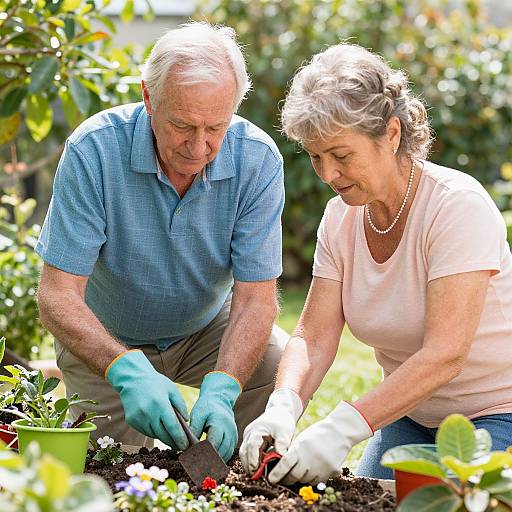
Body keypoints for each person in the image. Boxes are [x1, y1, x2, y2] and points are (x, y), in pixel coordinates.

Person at [240, 43, 512, 484]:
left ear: (390, 134)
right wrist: (283, 405)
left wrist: (344, 427)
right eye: (315, 157)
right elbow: (314, 335)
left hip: (499, 416)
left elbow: (446, 354)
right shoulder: (341, 217)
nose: (327, 174)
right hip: (410, 418)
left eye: (341, 155)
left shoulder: (456, 207)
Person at [36, 21, 288, 462]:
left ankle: (242, 471)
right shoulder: (94, 150)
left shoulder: (257, 159)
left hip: (205, 328)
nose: (199, 146)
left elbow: (255, 300)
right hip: (107, 335)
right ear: (149, 98)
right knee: (107, 473)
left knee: (276, 364)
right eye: (182, 125)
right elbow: (57, 296)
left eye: (216, 127)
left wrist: (226, 384)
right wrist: (126, 369)